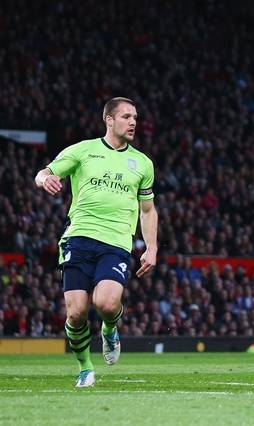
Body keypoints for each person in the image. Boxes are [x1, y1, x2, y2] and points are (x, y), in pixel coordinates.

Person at [34, 97, 158, 388]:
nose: (133, 122)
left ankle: (110, 329)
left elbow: (148, 209)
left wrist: (151, 248)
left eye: (135, 117)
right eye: (126, 116)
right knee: (76, 312)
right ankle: (85, 367)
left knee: (106, 303)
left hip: (116, 243)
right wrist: (44, 180)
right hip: (78, 239)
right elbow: (44, 173)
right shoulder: (83, 150)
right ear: (109, 120)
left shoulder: (143, 163)